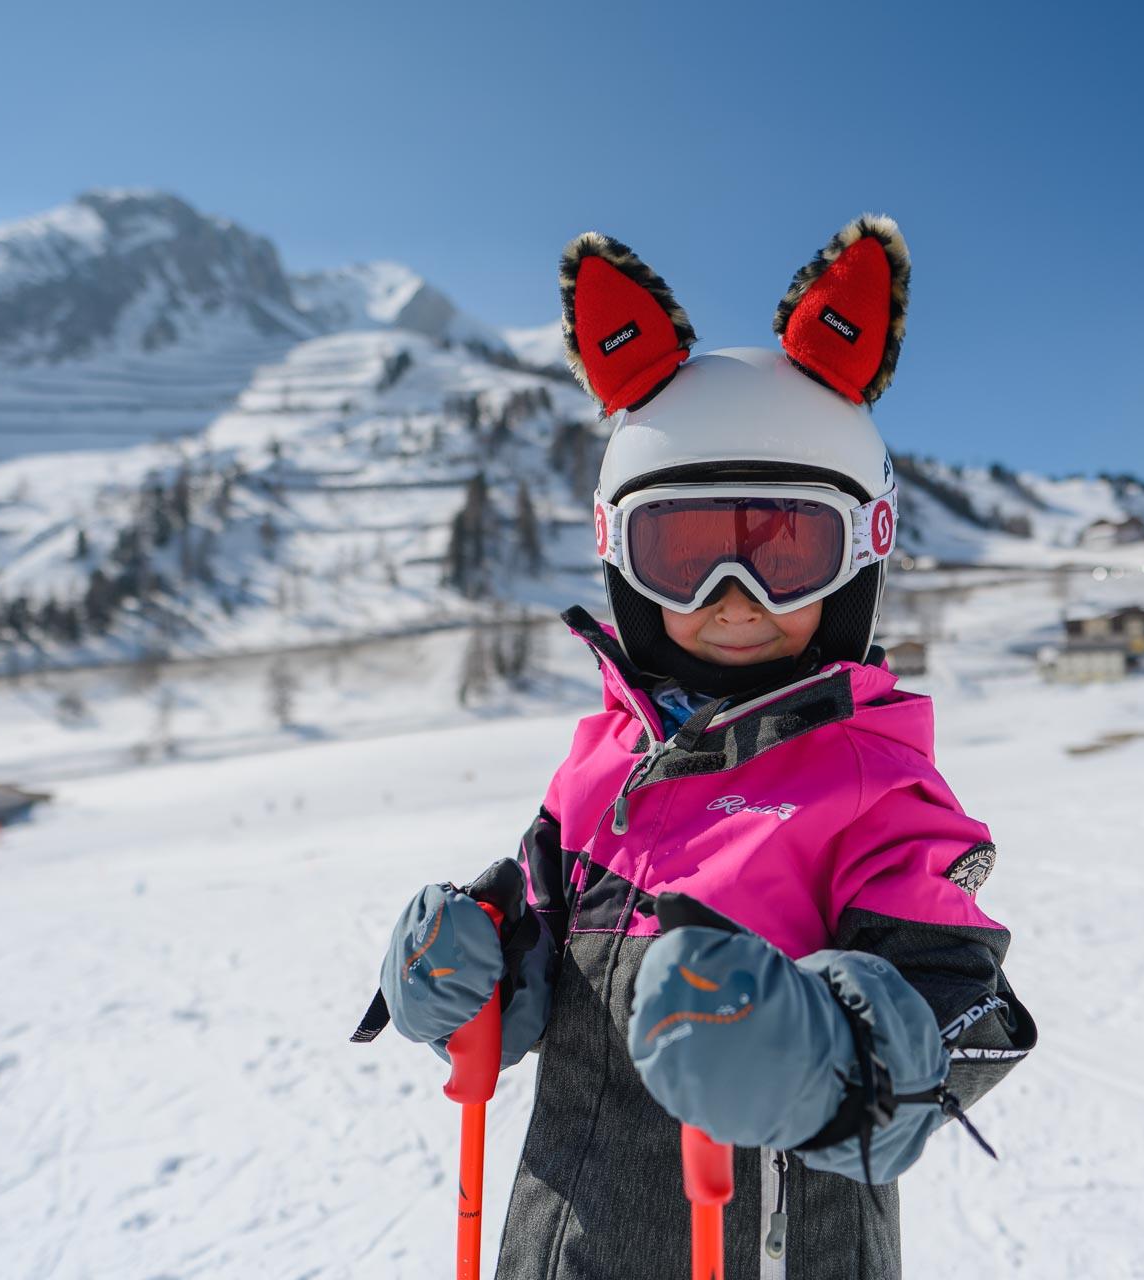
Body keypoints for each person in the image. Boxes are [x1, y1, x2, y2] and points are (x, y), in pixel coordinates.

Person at [363, 216, 1036, 1279]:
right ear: (622, 563)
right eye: (685, 553)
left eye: (784, 546)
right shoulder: (602, 768)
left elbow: (964, 1005)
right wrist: (473, 967)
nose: (735, 599)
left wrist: (822, 1055)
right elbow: (543, 954)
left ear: (861, 553)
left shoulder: (875, 783)